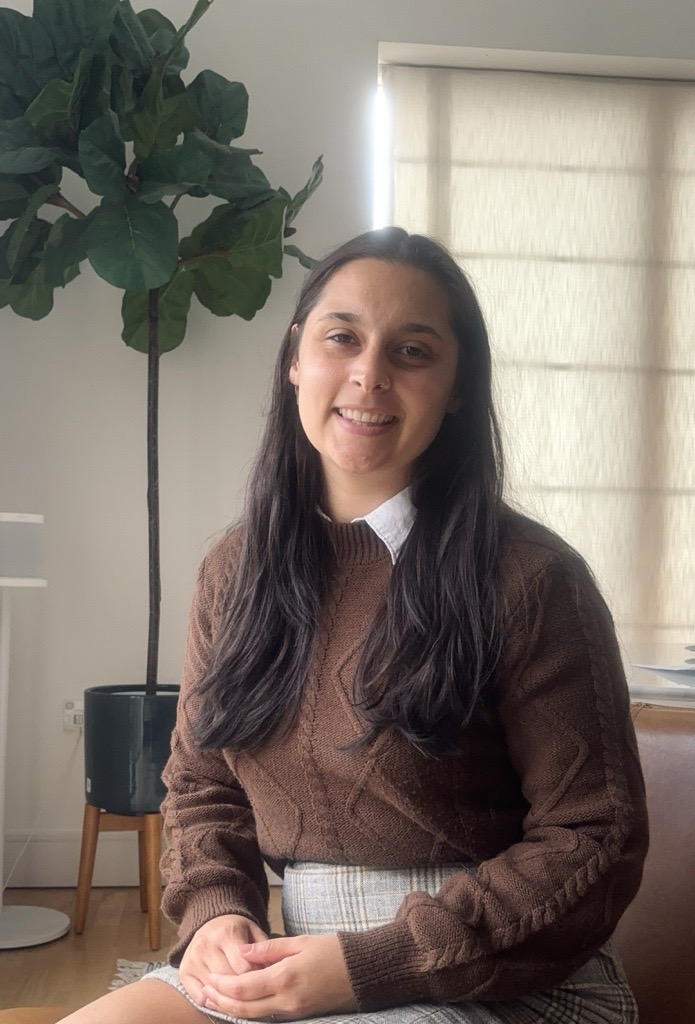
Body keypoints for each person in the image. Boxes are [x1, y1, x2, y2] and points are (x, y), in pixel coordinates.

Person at [61, 228, 648, 1024]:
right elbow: (202, 787)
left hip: (502, 976)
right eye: (342, 338)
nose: (369, 374)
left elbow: (593, 837)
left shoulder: (532, 578)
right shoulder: (231, 571)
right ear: (295, 358)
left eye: (412, 351)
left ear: (457, 387)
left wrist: (374, 963)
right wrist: (216, 912)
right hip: (295, 960)